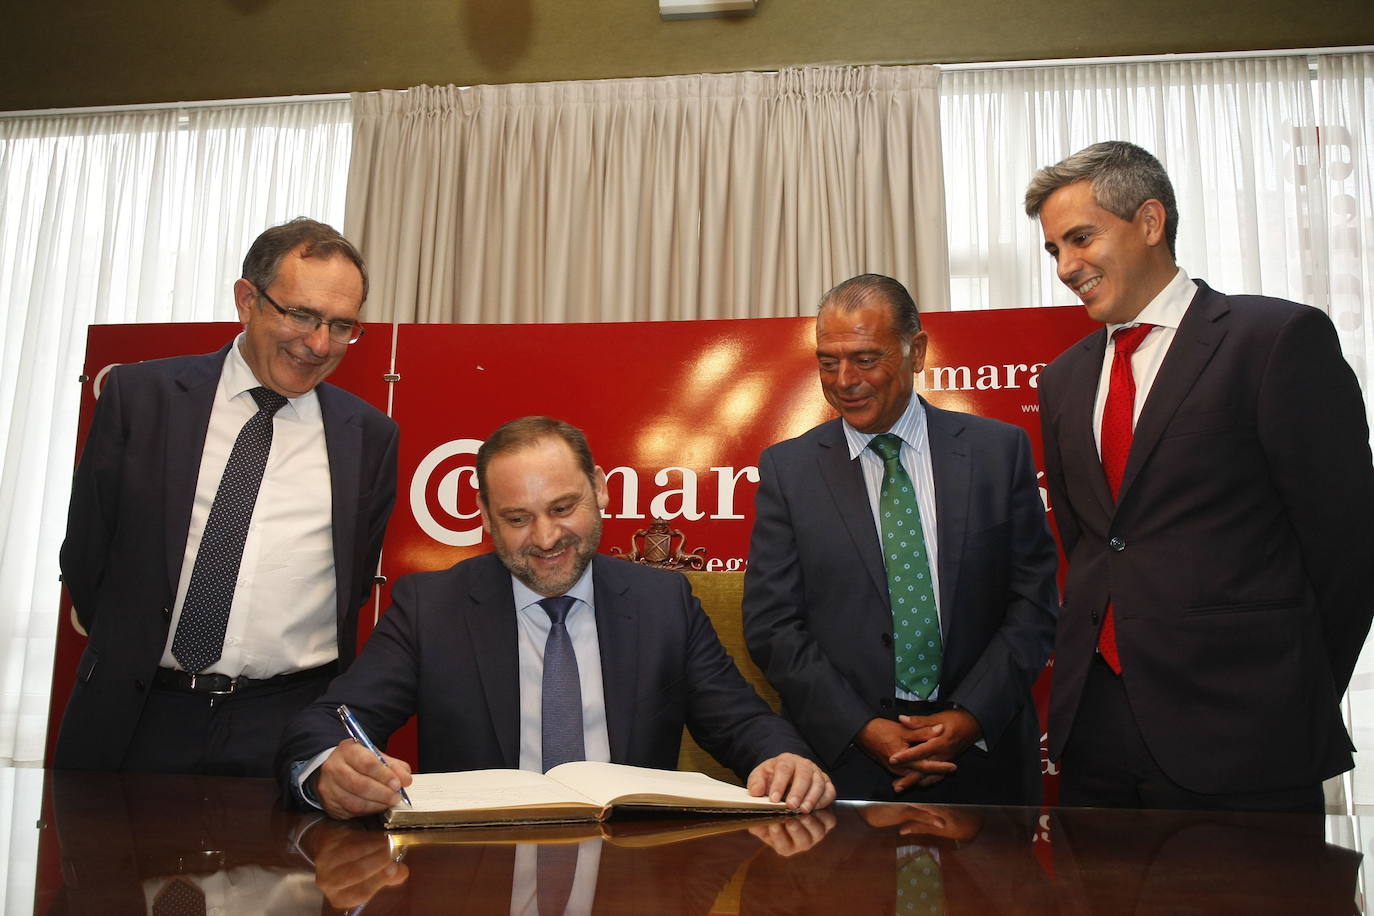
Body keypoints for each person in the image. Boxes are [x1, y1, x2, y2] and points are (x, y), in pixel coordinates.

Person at [1025, 140, 1374, 811]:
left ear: (1150, 222)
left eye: (1080, 238)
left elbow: (1346, 547)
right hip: (1094, 733)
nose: (1067, 266)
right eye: (1053, 251)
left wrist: (1290, 687)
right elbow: (1091, 544)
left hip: (1245, 733)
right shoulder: (1063, 380)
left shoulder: (1274, 340)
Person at [278, 416, 835, 819]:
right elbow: (327, 722)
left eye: (563, 508)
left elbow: (739, 721)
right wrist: (329, 767)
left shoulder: (663, 600)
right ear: (487, 521)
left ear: (598, 489)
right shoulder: (431, 607)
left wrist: (783, 758)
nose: (545, 538)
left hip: (632, 871)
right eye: (517, 518)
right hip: (474, 873)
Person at [54, 217, 399, 777]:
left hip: (287, 729)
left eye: (341, 326)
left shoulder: (369, 436)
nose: (318, 344)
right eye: (302, 315)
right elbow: (88, 557)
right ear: (247, 299)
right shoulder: (141, 399)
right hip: (134, 715)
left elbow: (354, 582)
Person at [742, 274, 1059, 804]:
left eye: (866, 359)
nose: (844, 380)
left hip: (983, 761)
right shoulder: (788, 471)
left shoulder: (997, 453)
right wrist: (863, 726)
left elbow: (1033, 603)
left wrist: (970, 716)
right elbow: (773, 624)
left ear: (917, 350)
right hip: (841, 766)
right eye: (828, 361)